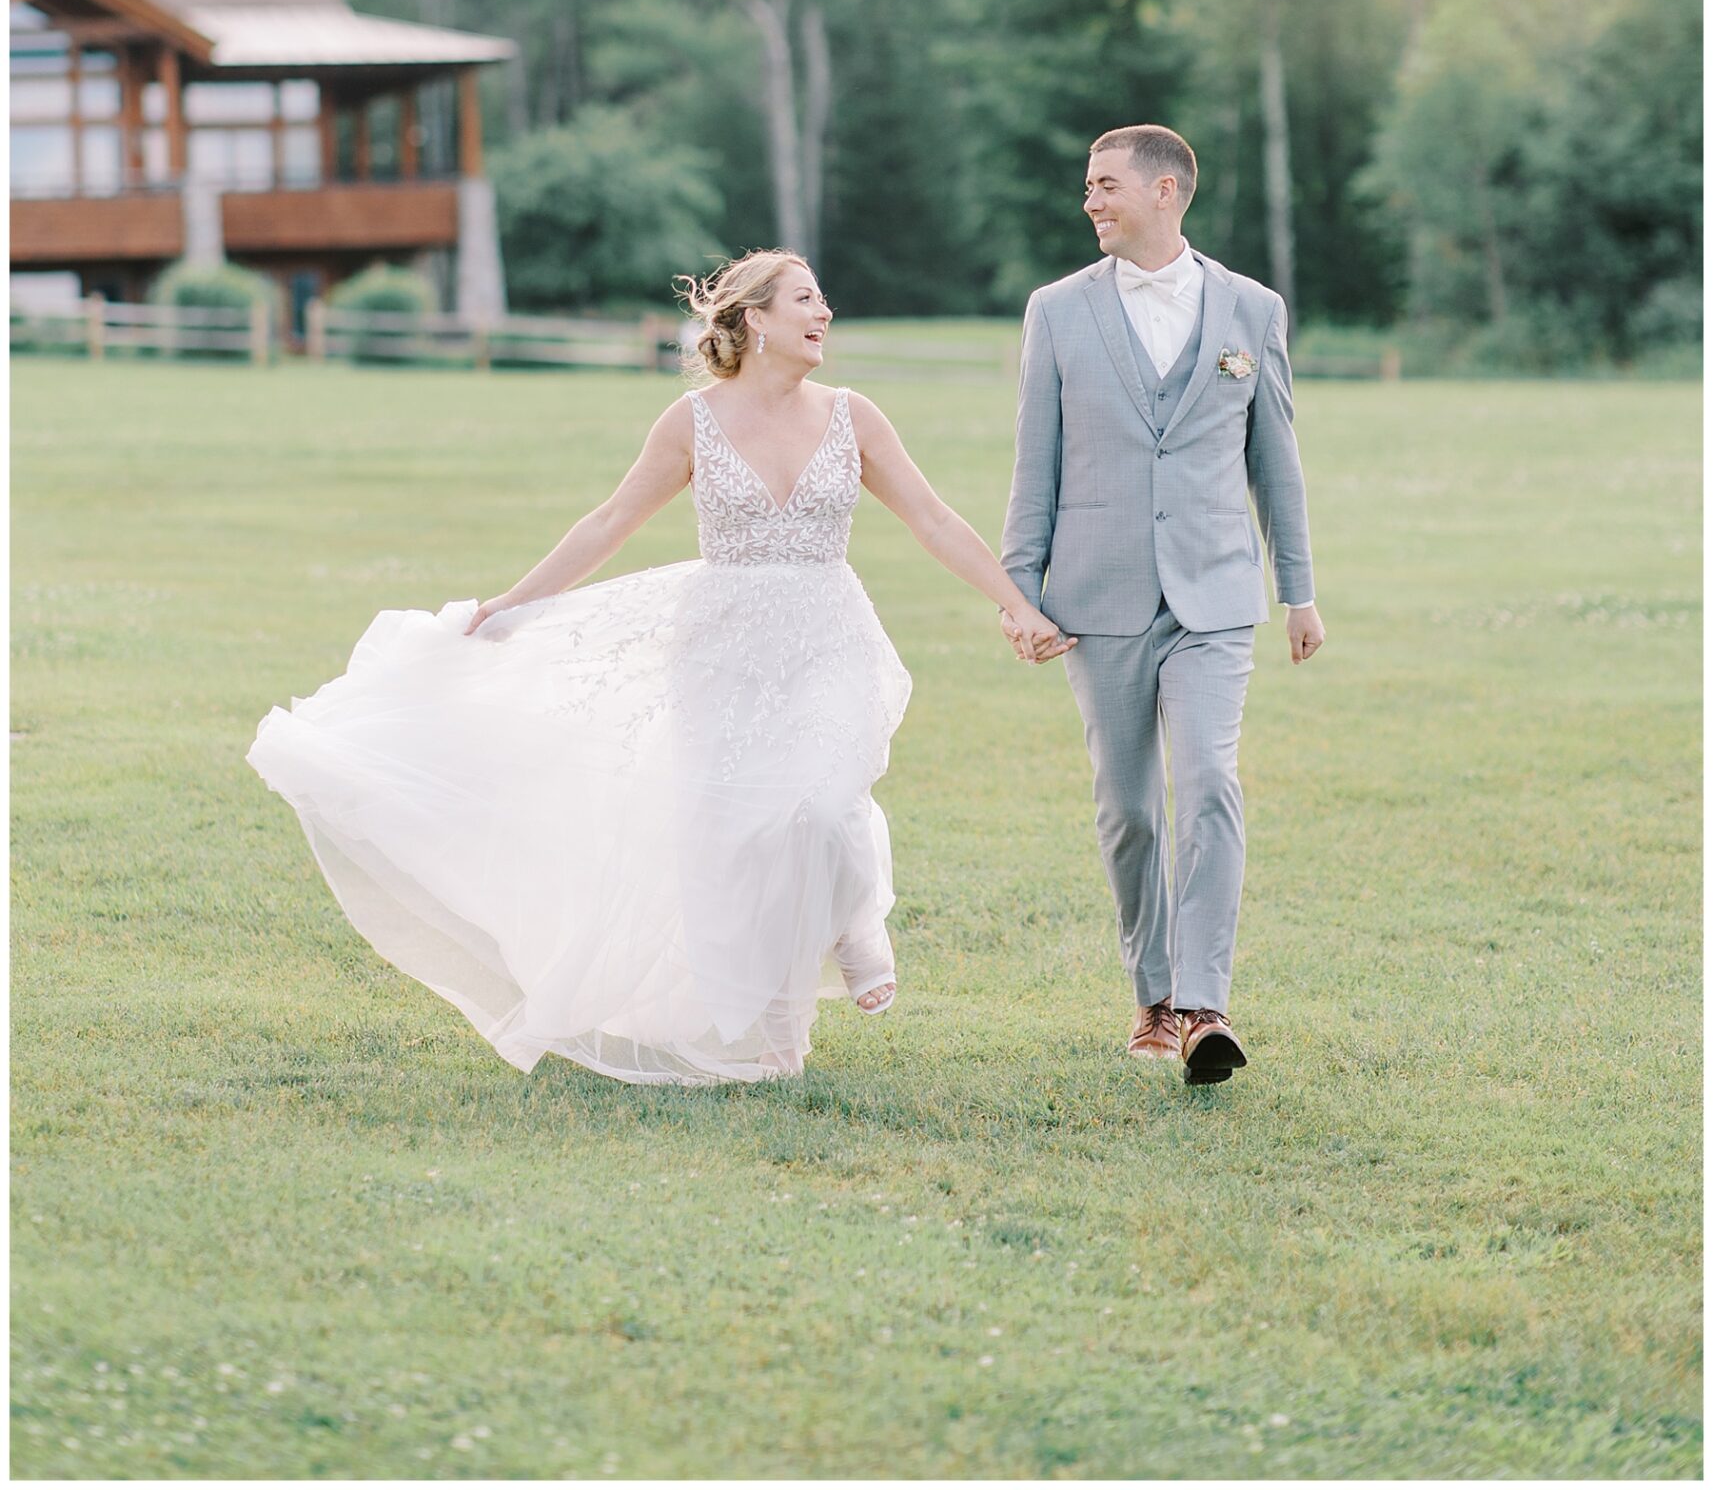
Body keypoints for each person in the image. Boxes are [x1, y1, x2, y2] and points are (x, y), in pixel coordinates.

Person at [248, 248, 1062, 1087]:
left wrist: (1015, 603)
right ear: (756, 320)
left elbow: (930, 517)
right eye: (807, 301)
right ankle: (781, 1043)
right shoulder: (691, 422)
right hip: (721, 648)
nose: (825, 315)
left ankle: (855, 920)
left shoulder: (854, 415)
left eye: (824, 300)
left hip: (828, 636)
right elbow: (609, 522)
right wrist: (510, 604)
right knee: (739, 841)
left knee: (821, 808)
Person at [999, 123, 1326, 1085]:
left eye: (1104, 185)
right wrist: (1020, 593)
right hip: (1095, 598)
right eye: (1088, 187)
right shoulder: (1055, 312)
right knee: (1129, 810)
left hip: (1215, 595)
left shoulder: (1251, 310)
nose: (1090, 201)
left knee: (1211, 785)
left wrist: (1296, 589)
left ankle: (1204, 1006)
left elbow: (1277, 462)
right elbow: (1036, 465)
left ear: (1167, 190)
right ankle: (1149, 997)